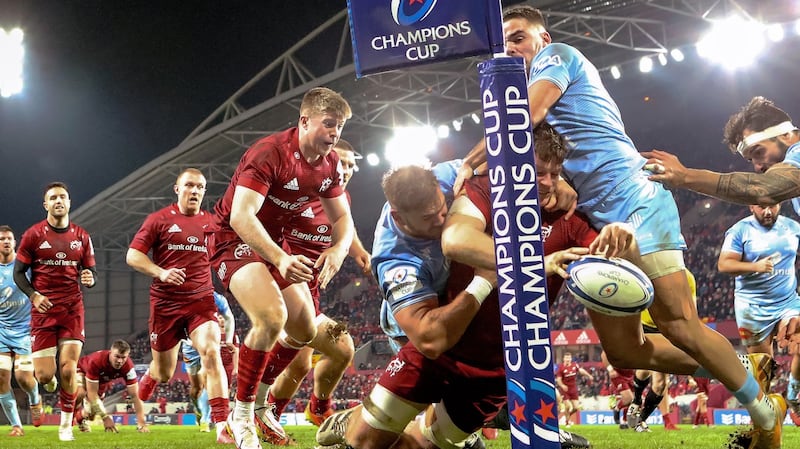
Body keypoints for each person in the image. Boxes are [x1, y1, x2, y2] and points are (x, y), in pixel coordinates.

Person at [456, 6, 784, 447]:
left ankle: (766, 416)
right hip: (597, 218)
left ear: (543, 36)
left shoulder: (558, 56)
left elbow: (524, 118)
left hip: (635, 200)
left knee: (678, 324)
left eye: (518, 37)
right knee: (626, 351)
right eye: (504, 43)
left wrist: (470, 162)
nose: (511, 48)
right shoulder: (535, 95)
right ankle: (740, 368)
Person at [211, 86, 355, 449]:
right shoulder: (269, 153)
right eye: (329, 124)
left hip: (276, 245)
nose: (335, 133)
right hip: (233, 239)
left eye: (339, 127)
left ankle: (261, 407)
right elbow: (241, 217)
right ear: (304, 121)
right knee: (272, 317)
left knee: (305, 329)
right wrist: (280, 258)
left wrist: (339, 250)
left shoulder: (330, 164)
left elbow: (343, 218)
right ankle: (239, 417)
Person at [256, 139, 370, 445]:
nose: (345, 170)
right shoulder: (301, 190)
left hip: (311, 290)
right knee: (343, 345)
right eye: (340, 162)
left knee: (302, 364)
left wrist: (356, 251)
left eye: (350, 165)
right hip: (286, 285)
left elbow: (345, 226)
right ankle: (308, 408)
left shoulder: (338, 197)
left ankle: (272, 417)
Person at [126, 168, 231, 444]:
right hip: (165, 306)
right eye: (189, 186)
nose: (195, 191)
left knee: (211, 351)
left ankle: (222, 426)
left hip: (201, 302)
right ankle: (152, 373)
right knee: (164, 373)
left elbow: (224, 255)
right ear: (177, 189)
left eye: (200, 187)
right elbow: (133, 255)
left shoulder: (212, 223)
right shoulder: (158, 220)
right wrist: (160, 272)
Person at [14, 182, 97, 442]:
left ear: (69, 202)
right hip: (43, 313)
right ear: (46, 205)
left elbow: (92, 272)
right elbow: (18, 273)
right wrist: (34, 295)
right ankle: (49, 384)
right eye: (53, 198)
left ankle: (65, 425)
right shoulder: (33, 235)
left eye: (62, 197)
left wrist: (89, 278)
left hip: (72, 310)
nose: (58, 201)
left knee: (69, 370)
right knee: (45, 375)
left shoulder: (82, 236)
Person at [718, 202, 800, 414]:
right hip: (753, 307)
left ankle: (793, 394)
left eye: (772, 206)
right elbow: (724, 264)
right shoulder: (740, 230)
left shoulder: (792, 227)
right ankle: (764, 420)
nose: (767, 211)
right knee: (764, 369)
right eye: (761, 207)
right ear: (750, 207)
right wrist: (755, 266)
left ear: (780, 204)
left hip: (787, 302)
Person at [0, 225, 43, 436]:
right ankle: (16, 425)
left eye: (9, 238)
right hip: (1, 331)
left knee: (24, 378)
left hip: (25, 330)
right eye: (1, 239)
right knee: (1, 377)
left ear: (15, 242)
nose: (6, 242)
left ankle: (36, 400)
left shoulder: (25, 266)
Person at [181, 291, 237, 433]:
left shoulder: (216, 299)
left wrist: (229, 341)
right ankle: (198, 409)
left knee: (209, 381)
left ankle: (208, 420)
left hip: (209, 350)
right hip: (190, 348)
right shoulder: (182, 297)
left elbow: (229, 318)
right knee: (197, 388)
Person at [73, 339, 149, 434]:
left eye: (123, 357)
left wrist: (141, 423)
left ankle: (80, 418)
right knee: (80, 393)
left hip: (101, 381)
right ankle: (68, 421)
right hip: (83, 370)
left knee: (91, 414)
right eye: (117, 357)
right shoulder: (96, 361)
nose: (120, 361)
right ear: (110, 353)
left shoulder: (128, 367)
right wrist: (106, 418)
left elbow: (135, 395)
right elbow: (92, 393)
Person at [557, 353, 594, 428]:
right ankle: (567, 422)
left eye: (569, 358)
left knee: (576, 408)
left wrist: (589, 375)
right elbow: (558, 379)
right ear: (564, 359)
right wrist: (562, 385)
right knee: (567, 406)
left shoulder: (574, 365)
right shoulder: (561, 368)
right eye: (566, 358)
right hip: (565, 389)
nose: (568, 360)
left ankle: (568, 415)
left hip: (573, 389)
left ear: (571, 359)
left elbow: (581, 370)